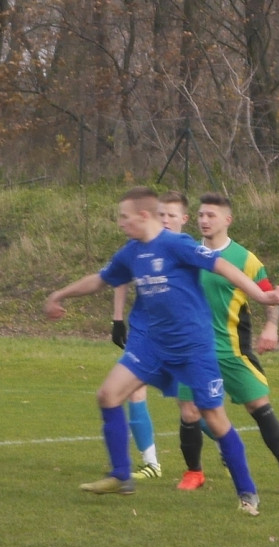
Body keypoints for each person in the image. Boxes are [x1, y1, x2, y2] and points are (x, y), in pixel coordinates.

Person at [43, 186, 279, 515]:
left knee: (214, 418)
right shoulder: (131, 252)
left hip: (193, 348)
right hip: (151, 345)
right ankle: (120, 475)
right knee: (108, 395)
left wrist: (261, 296)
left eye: (124, 217)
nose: (120, 223)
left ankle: (247, 491)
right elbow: (101, 280)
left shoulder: (177, 244)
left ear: (144, 215)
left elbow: (222, 267)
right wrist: (58, 295)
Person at [175, 192, 279, 496]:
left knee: (259, 406)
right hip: (193, 350)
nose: (204, 220)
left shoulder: (246, 259)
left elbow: (268, 295)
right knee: (189, 412)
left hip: (233, 350)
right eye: (200, 215)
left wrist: (271, 327)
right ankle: (194, 472)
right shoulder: (186, 253)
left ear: (227, 220)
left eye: (211, 215)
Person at [110, 190, 191, 480]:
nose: (166, 220)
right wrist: (117, 319)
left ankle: (221, 442)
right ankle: (151, 462)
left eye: (171, 215)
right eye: (162, 214)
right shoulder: (139, 245)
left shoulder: (185, 248)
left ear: (184, 218)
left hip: (180, 335)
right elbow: (119, 277)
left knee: (193, 406)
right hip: (144, 329)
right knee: (133, 389)